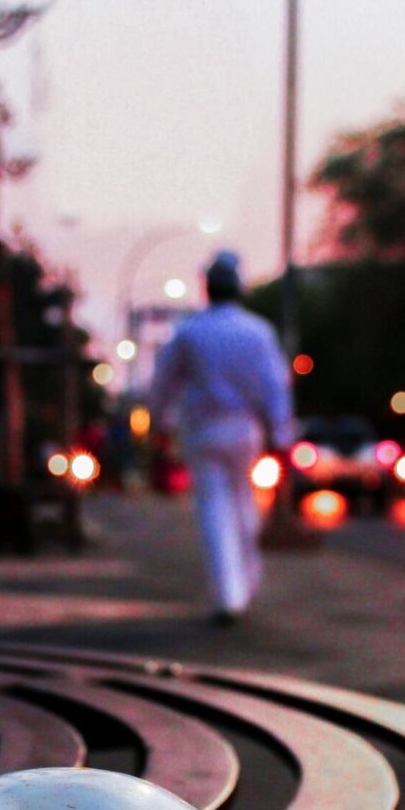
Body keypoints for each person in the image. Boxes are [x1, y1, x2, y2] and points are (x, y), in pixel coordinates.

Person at [148, 250, 295, 624]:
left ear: (207, 289)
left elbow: (163, 384)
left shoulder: (189, 331)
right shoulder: (258, 332)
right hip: (244, 430)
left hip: (203, 431)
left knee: (214, 509)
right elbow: (276, 387)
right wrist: (281, 434)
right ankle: (244, 582)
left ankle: (228, 594)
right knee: (244, 503)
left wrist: (158, 427)